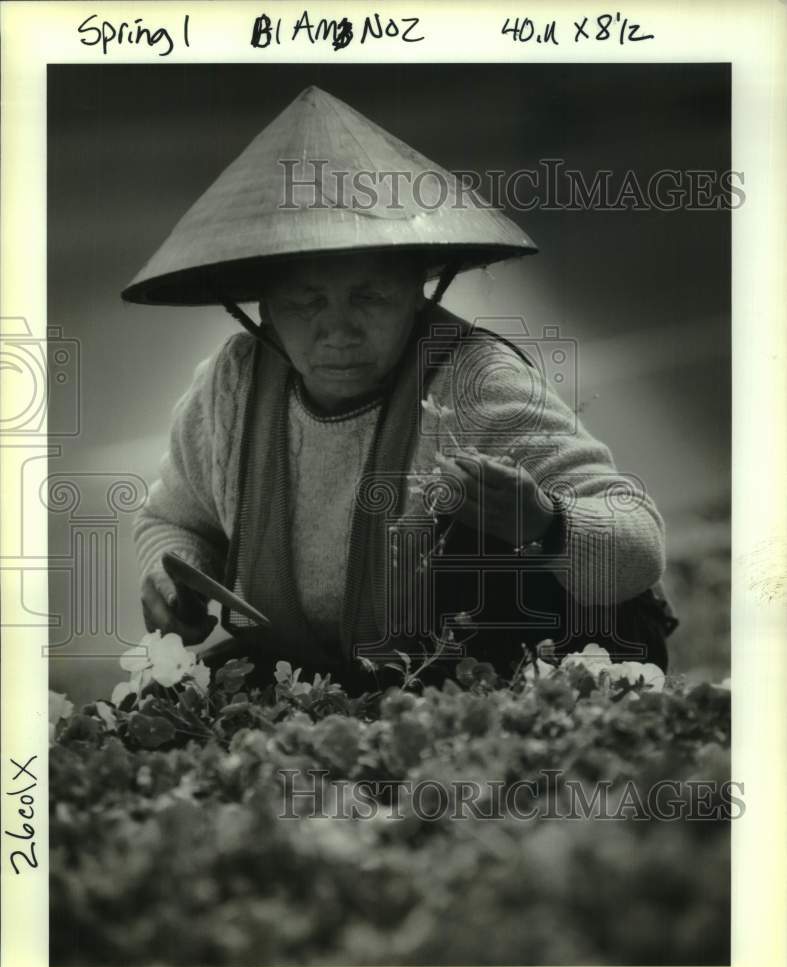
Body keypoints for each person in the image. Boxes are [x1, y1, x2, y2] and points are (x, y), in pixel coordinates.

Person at [124, 86, 677, 692]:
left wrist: (546, 525)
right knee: (153, 710)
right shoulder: (233, 384)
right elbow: (173, 520)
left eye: (371, 296)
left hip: (474, 660)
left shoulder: (475, 384)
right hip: (319, 668)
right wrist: (174, 576)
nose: (337, 329)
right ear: (264, 309)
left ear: (416, 295)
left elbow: (637, 545)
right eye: (306, 300)